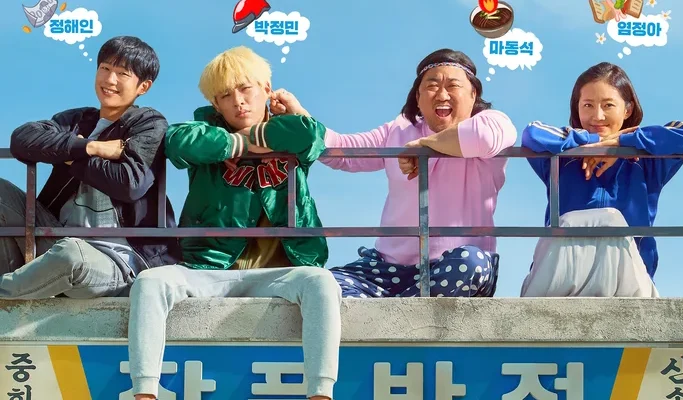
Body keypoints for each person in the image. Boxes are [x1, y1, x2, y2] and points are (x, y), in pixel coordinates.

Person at [127, 46, 341, 400]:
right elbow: (179, 143)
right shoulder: (205, 131)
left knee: (321, 282)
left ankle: (320, 393)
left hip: (283, 271)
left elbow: (311, 137)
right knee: (150, 282)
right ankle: (145, 392)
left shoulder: (291, 130)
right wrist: (238, 143)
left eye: (246, 89)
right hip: (210, 267)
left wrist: (267, 130)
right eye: (226, 95)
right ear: (216, 104)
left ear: (267, 89)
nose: (238, 102)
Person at [270, 48, 517, 298]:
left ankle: (395, 308)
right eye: (432, 86)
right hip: (386, 270)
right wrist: (301, 119)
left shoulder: (493, 122)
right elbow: (343, 152)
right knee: (321, 286)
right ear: (418, 97)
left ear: (473, 94)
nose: (442, 94)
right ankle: (400, 305)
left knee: (471, 262)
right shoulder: (399, 130)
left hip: (457, 268)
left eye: (453, 85)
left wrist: (424, 146)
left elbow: (484, 138)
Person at [0, 35, 179, 299]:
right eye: (105, 68)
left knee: (71, 255)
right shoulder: (76, 121)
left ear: (143, 86)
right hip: (55, 239)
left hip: (116, 261)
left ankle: (10, 288)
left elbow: (129, 183)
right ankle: (20, 282)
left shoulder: (148, 123)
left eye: (122, 73)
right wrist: (90, 147)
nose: (110, 80)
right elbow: (22, 139)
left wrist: (70, 156)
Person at [520, 62, 683, 297]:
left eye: (608, 105)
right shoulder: (561, 158)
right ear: (577, 109)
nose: (598, 115)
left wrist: (622, 143)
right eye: (588, 105)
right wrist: (593, 143)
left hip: (626, 281)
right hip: (562, 276)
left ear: (627, 109)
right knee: (589, 221)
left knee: (610, 219)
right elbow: (532, 133)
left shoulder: (647, 161)